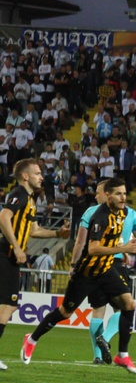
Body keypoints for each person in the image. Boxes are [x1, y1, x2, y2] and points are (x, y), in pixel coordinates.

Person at [21, 178, 136, 372]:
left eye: (124, 193)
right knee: (65, 312)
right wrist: (123, 248)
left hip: (106, 270)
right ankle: (32, 339)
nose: (123, 198)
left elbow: (112, 236)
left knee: (129, 305)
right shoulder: (99, 216)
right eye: (118, 194)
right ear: (108, 196)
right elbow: (93, 249)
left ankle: (122, 355)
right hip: (87, 273)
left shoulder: (122, 212)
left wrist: (124, 251)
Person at [0, 158, 69, 370]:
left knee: (8, 305)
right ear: (25, 176)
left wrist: (57, 233)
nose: (41, 177)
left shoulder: (30, 200)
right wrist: (16, 247)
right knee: (7, 305)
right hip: (5, 254)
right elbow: (3, 217)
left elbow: (34, 230)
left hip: (10, 257)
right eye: (37, 173)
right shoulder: (19, 194)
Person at [74, 179, 136, 364]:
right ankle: (105, 338)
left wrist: (74, 265)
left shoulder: (90, 212)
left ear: (106, 194)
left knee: (98, 311)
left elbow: (80, 242)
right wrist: (126, 248)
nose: (97, 196)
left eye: (98, 192)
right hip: (115, 263)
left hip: (95, 264)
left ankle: (97, 356)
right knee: (124, 308)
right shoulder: (131, 214)